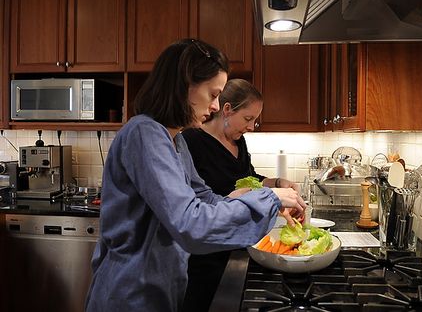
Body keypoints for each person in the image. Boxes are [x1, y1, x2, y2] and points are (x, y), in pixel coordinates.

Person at [84, 39, 306, 312]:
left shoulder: (176, 142)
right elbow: (189, 223)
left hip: (163, 288)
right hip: (131, 293)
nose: (215, 106)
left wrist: (260, 196)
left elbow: (204, 198)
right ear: (184, 85)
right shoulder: (144, 133)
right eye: (213, 94)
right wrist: (269, 198)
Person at [181, 78, 300, 312]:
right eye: (248, 118)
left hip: (239, 245)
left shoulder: (239, 141)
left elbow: (250, 179)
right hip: (206, 255)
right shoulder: (191, 141)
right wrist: (263, 196)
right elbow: (194, 202)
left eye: (255, 120)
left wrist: (277, 182)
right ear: (226, 110)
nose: (252, 126)